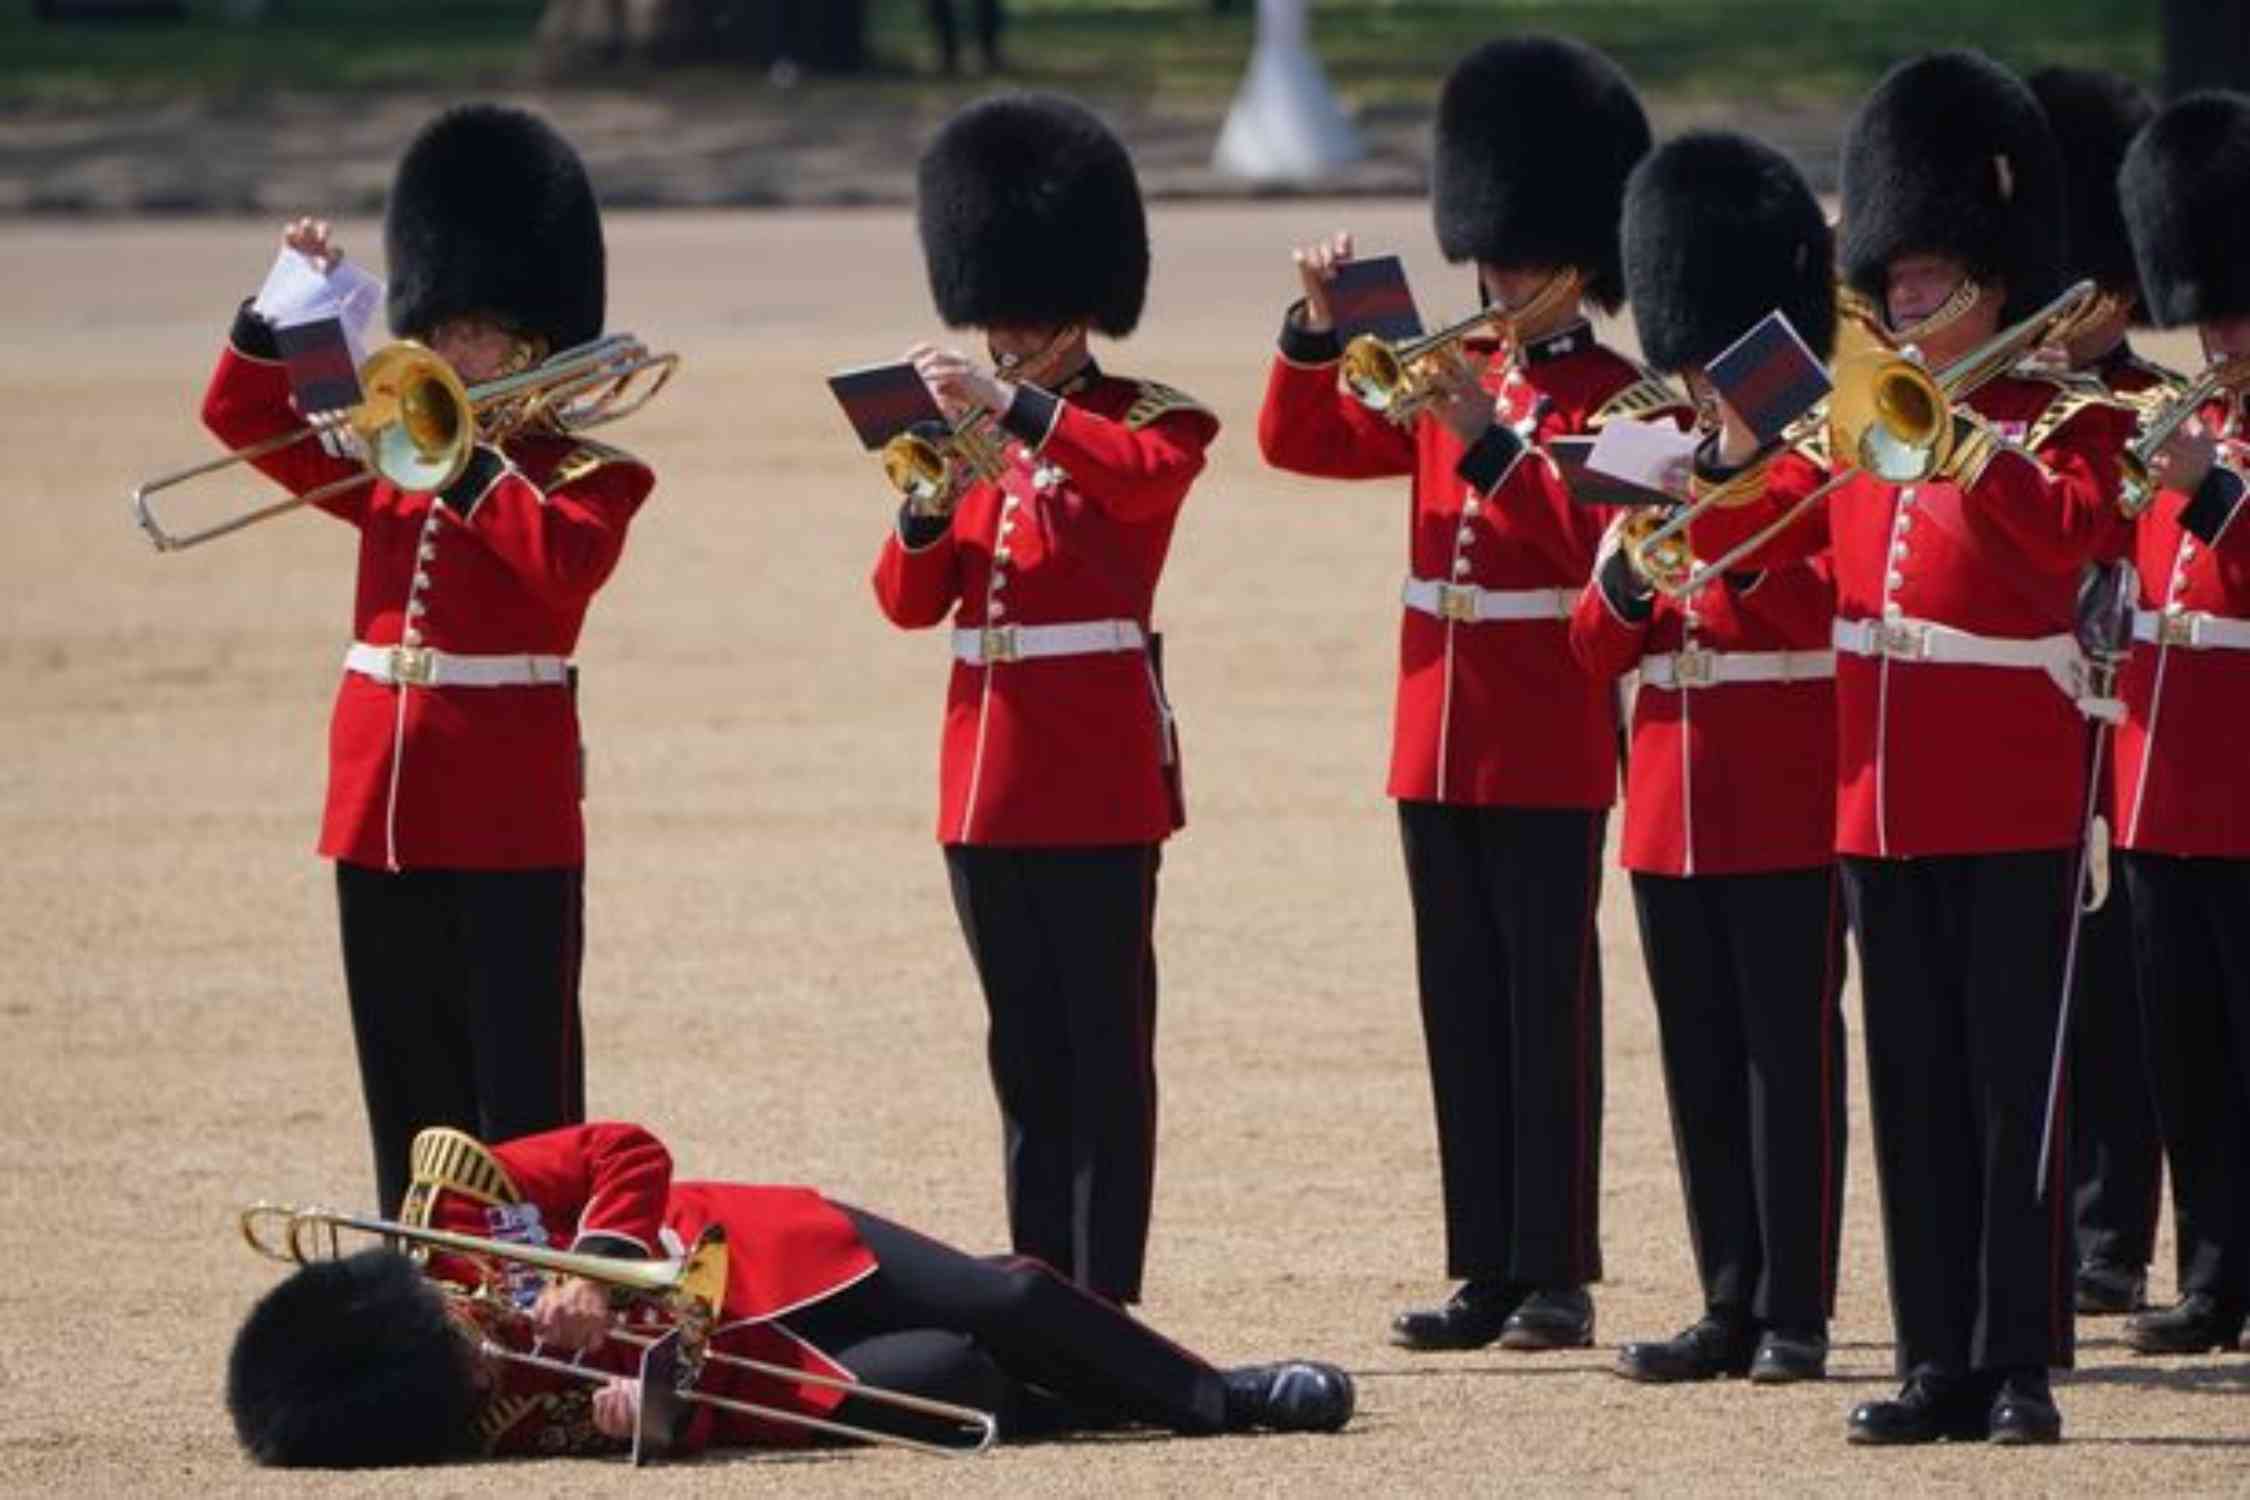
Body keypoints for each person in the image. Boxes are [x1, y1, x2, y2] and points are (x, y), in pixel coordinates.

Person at [1687, 51, 2137, 1445]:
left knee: (2011, 1091)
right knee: (1912, 1090)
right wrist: (1716, 488)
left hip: (2007, 787)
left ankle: (2016, 1365)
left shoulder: (2071, 421)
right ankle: (1934, 1356)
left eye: (1927, 282)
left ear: (1992, 287)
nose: (1899, 304)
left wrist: (1965, 450)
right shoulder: (1855, 433)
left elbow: (2068, 545)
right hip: (1877, 799)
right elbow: (1786, 577)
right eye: (1891, 282)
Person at [1257, 34, 1685, 1354]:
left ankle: (1555, 1268)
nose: (1493, 278)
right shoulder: (1453, 365)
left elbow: (1589, 546)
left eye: (1516, 257)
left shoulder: (1627, 396)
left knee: (1542, 1000)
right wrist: (1314, 333)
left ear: (1577, 259)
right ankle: (1484, 1263)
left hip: (1544, 723)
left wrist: (1483, 439)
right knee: (1460, 998)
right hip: (1431, 722)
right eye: (1486, 256)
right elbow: (1301, 442)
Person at [197, 105, 656, 1219]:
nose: (450, 352)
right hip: (380, 802)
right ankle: (423, 1296)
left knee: (523, 1095)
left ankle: (531, 1298)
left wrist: (459, 464)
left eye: (477, 335)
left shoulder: (588, 474)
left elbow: (559, 567)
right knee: (403, 1077)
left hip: (508, 810)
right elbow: (241, 422)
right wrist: (278, 307)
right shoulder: (396, 460)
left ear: (532, 344)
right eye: (439, 328)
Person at [869, 93, 1219, 1307]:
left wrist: (1012, 404)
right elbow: (910, 605)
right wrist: (921, 507)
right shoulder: (972, 439)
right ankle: (1036, 1284)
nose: (1005, 336)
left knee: (1105, 1054)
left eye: (1025, 320)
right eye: (995, 316)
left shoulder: (1148, 420)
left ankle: (1103, 1294)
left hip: (1098, 772)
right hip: (987, 780)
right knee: (1023, 1051)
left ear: (1082, 312)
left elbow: (1130, 483)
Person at [226, 1121, 1354, 1465]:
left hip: (772, 1246)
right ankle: (1106, 1402)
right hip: (760, 1373)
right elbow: (670, 1424)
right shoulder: (484, 1416)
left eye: (456, 1347)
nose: (480, 1366)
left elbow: (623, 1149)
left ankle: (1223, 1396)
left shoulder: (453, 1208)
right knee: (959, 1377)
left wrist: (608, 1270)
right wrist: (652, 1419)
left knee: (1004, 1298)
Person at [1570, 131, 1847, 1387]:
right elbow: (1591, 644)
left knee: (1791, 1059)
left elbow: (1817, 606)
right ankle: (1726, 1298)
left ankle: (1799, 1308)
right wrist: (1632, 562)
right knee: (1698, 1065)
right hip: (1670, 796)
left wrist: (1732, 484)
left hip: (1786, 790)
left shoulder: (1829, 460)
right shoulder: (1646, 446)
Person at [2025, 63, 2174, 1322]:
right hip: (2019, 717)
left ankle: (2112, 1230)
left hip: (2129, 719)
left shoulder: (2146, 406)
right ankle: (2047, 1213)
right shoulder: (2011, 407)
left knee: (2124, 987)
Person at [2112, 89, 2250, 1357]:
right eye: (2206, 309)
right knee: (2188, 1053)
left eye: (2235, 309)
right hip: (2158, 777)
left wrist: (2213, 502)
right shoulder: (2186, 425)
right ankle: (2214, 1274)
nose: (2219, 333)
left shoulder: (2212, 455)